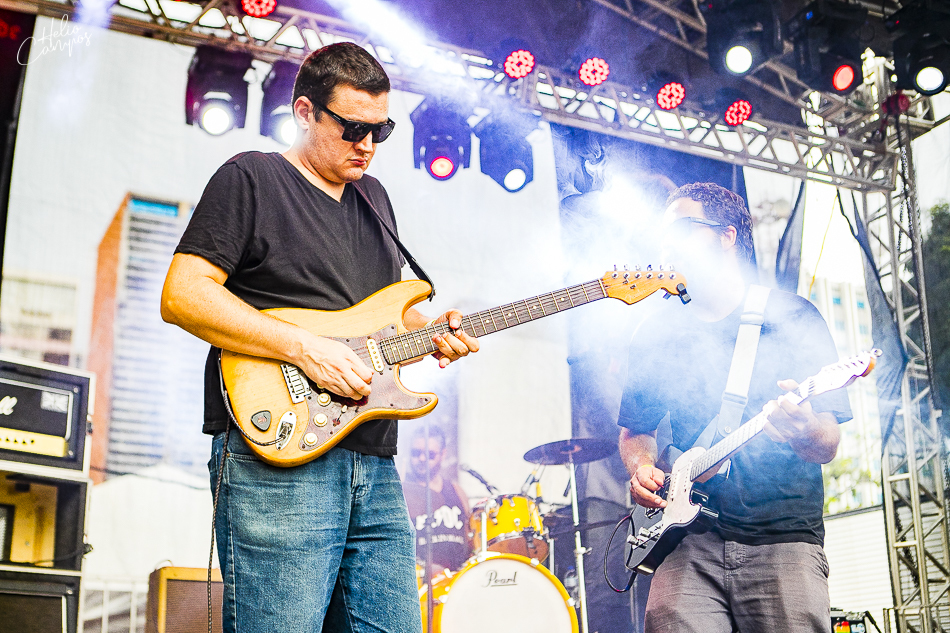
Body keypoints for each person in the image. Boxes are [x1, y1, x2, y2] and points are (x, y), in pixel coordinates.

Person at [160, 42, 479, 633]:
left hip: (372, 458)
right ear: (305, 111)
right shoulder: (251, 178)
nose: (368, 144)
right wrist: (304, 348)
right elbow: (183, 294)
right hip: (277, 454)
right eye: (353, 128)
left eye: (381, 130)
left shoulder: (374, 199)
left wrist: (433, 333)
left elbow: (382, 320)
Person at [618, 182, 851, 633]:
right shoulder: (656, 331)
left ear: (726, 236)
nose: (668, 245)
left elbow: (826, 445)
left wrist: (803, 427)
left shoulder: (793, 317)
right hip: (685, 542)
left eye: (683, 229)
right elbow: (635, 430)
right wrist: (642, 466)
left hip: (782, 540)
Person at [402, 425, 471, 576]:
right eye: (416, 453)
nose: (422, 459)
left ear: (443, 454)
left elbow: (471, 539)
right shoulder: (401, 493)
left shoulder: (457, 491)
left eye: (430, 454)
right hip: (418, 581)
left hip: (457, 580)